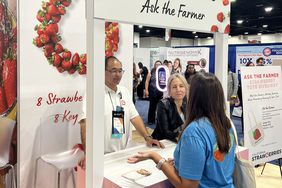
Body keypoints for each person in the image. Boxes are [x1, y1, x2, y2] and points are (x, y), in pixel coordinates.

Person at [128, 72, 235, 188]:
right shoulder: (225, 124)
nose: (180, 90)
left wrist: (156, 158)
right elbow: (214, 162)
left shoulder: (194, 132)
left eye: (183, 87)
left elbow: (187, 186)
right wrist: (183, 161)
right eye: (174, 87)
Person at [78, 56, 164, 169]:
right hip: (100, 156)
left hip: (122, 153)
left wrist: (147, 137)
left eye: (120, 71)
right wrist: (89, 153)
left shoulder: (124, 91)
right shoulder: (93, 93)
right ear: (103, 71)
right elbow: (85, 124)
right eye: (113, 70)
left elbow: (135, 117)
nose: (118, 74)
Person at [151, 73, 188, 142]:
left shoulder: (188, 104)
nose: (178, 89)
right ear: (169, 90)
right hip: (163, 143)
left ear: (185, 88)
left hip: (181, 141)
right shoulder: (163, 104)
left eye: (181, 86)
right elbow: (165, 133)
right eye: (174, 87)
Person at [145, 60, 163, 124]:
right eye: (157, 64)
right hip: (152, 91)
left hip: (160, 92)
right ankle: (151, 120)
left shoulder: (162, 72)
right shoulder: (151, 72)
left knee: (160, 107)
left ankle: (159, 120)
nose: (158, 65)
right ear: (155, 65)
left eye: (159, 64)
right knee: (152, 106)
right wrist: (146, 90)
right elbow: (147, 81)